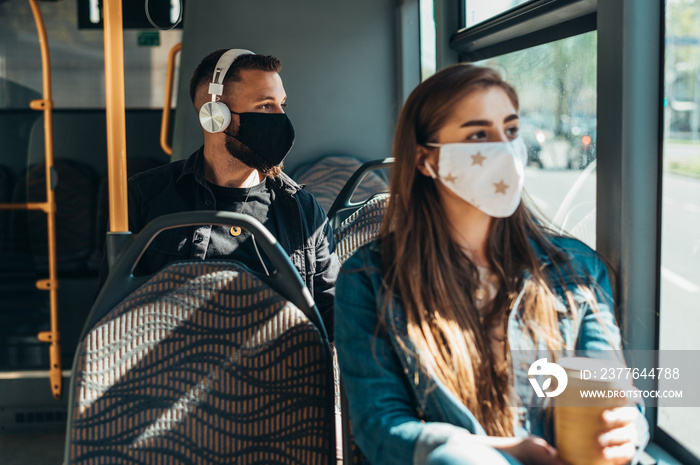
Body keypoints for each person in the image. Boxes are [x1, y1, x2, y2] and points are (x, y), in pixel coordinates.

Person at [334, 64, 648, 465]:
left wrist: (624, 428)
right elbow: (382, 428)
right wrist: (503, 453)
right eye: (479, 135)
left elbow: (611, 389)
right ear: (426, 160)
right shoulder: (370, 279)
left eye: (511, 131)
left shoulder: (576, 268)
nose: (505, 149)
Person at [97, 48, 339, 336]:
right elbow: (111, 319)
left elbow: (332, 313)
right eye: (264, 106)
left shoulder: (301, 209)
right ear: (215, 116)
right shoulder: (145, 197)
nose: (280, 120)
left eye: (281, 106)